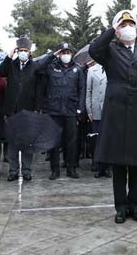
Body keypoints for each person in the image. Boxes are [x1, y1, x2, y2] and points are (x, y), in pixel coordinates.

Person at [90, 10, 137, 224]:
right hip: (117, 113)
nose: (128, 27)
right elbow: (94, 50)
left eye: (131, 24)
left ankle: (135, 206)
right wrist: (113, 28)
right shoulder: (110, 50)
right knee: (119, 164)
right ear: (118, 30)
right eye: (124, 24)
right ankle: (121, 207)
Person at [37, 43, 86, 180]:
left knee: (71, 142)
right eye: (63, 52)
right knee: (54, 142)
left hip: (70, 110)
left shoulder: (78, 69)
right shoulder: (51, 67)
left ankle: (71, 168)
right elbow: (38, 68)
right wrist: (52, 55)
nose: (66, 55)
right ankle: (55, 170)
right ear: (59, 53)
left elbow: (82, 89)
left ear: (71, 54)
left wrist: (80, 108)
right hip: (54, 111)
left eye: (68, 52)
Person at [0, 37, 41, 182]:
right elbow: (0, 72)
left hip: (28, 110)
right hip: (12, 110)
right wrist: (9, 56)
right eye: (20, 50)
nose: (23, 53)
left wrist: (37, 109)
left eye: (25, 51)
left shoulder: (35, 67)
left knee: (27, 142)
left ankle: (27, 170)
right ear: (17, 51)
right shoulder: (11, 65)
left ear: (30, 52)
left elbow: (38, 90)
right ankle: (13, 170)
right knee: (12, 142)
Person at [85, 60, 109, 178]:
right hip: (96, 109)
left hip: (110, 109)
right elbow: (88, 91)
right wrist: (89, 109)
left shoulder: (113, 68)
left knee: (109, 139)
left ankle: (108, 166)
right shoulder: (91, 70)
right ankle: (98, 165)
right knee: (97, 138)